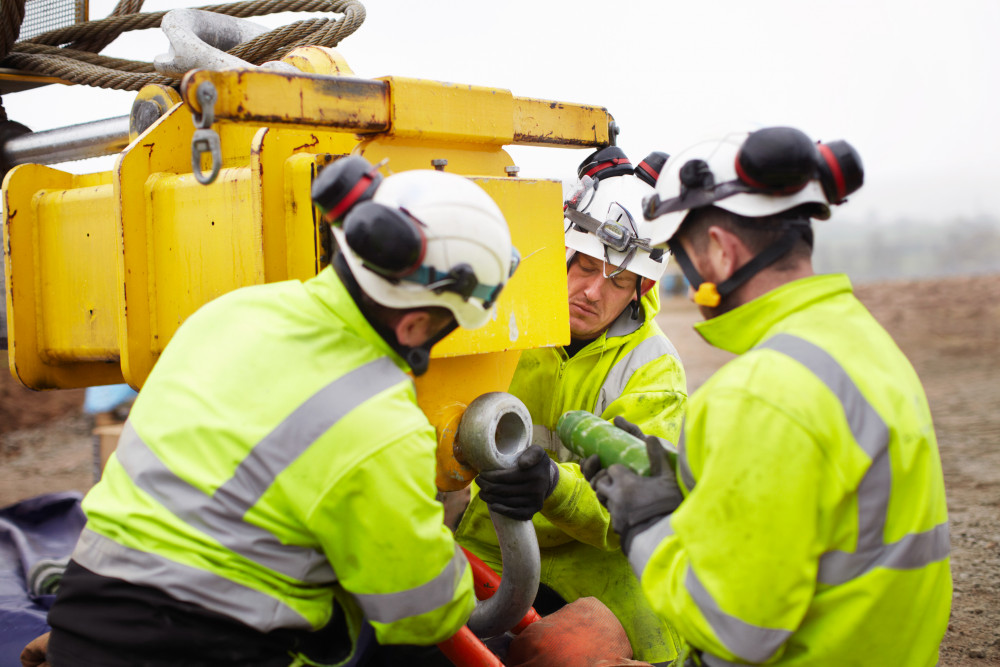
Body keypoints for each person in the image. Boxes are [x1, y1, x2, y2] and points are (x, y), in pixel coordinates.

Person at [40, 157, 519, 667]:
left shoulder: (230, 312)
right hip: (205, 650)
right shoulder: (380, 424)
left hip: (81, 621)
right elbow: (421, 614)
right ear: (416, 325)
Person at [585, 127, 952, 665]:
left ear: (719, 251)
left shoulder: (757, 393)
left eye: (682, 257)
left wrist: (648, 526)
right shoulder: (867, 343)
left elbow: (734, 628)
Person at [456, 147, 688, 664]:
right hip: (495, 543)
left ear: (641, 289)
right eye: (584, 265)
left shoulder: (654, 370)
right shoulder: (508, 327)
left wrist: (552, 488)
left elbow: (632, 507)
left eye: (618, 280)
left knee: (564, 652)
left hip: (599, 573)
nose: (591, 291)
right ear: (562, 254)